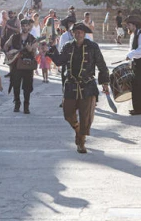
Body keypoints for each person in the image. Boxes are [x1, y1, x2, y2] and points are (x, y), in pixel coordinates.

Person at [47, 22, 110, 154]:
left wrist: (105, 82)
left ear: (84, 33)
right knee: (68, 113)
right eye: (75, 32)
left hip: (87, 86)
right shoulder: (68, 46)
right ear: (72, 33)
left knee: (85, 116)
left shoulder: (92, 47)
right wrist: (52, 48)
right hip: (71, 85)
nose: (78, 34)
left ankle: (81, 141)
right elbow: (59, 61)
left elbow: (101, 64)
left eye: (80, 32)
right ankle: (77, 129)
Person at [4, 18, 37, 114]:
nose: (25, 27)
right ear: (21, 26)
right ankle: (17, 104)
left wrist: (30, 50)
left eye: (26, 26)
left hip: (27, 65)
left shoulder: (33, 39)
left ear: (29, 27)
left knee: (27, 87)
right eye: (23, 26)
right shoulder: (14, 37)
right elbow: (5, 46)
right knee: (16, 85)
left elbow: (34, 54)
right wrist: (8, 53)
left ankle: (26, 106)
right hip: (16, 65)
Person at [125, 15, 141, 115]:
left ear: (134, 25)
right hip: (135, 63)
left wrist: (130, 54)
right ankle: (137, 107)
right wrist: (130, 57)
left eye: (129, 24)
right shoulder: (133, 35)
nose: (127, 26)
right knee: (135, 86)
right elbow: (132, 49)